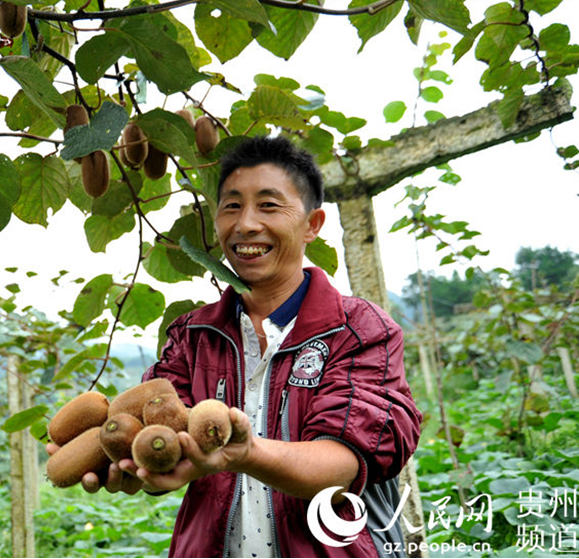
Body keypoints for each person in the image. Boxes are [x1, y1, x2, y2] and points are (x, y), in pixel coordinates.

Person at [49, 135, 422, 558]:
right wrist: (145, 467)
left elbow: (344, 465)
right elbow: (161, 434)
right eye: (231, 206)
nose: (245, 224)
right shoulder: (192, 335)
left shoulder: (359, 330)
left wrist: (245, 452)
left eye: (268, 205)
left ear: (312, 225)